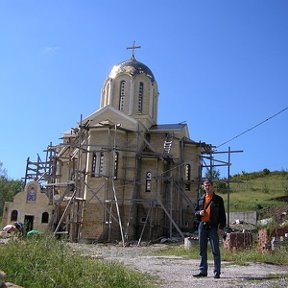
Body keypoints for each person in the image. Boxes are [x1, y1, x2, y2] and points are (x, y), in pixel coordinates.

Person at [193, 179, 226, 279]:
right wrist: (199, 213)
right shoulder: (200, 199)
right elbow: (195, 212)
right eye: (205, 185)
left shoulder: (218, 199)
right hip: (202, 226)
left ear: (212, 186)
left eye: (209, 185)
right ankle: (203, 271)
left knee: (215, 250)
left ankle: (217, 272)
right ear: (203, 187)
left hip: (213, 227)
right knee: (202, 250)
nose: (207, 187)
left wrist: (221, 227)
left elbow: (222, 215)